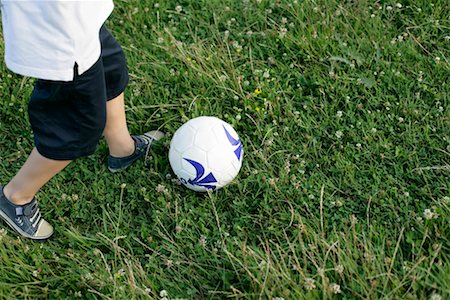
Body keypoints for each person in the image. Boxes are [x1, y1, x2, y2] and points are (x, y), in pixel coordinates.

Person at [0, 0, 163, 240]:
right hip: (59, 29)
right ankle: (15, 197)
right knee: (75, 125)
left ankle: (123, 149)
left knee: (110, 67)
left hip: (80, 14)